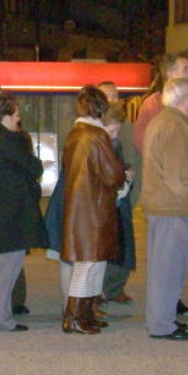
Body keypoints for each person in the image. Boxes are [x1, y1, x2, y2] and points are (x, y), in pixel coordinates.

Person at [132, 54, 188, 319]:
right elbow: (145, 145)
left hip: (180, 196)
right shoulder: (157, 107)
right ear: (170, 73)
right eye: (186, 69)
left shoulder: (185, 111)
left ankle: (169, 306)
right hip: (172, 199)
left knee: (175, 260)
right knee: (167, 259)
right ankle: (163, 315)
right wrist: (184, 187)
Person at [139, 77, 188, 341]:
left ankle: (164, 319)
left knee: (165, 268)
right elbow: (179, 175)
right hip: (174, 208)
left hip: (166, 206)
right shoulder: (174, 125)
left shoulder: (165, 122)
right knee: (168, 269)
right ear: (183, 99)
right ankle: (161, 325)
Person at [0, 92, 44, 332]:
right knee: (7, 271)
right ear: (6, 116)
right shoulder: (10, 140)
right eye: (16, 114)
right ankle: (1, 319)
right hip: (11, 217)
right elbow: (34, 167)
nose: (18, 119)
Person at [59, 85, 127, 335]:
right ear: (100, 108)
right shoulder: (97, 136)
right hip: (95, 210)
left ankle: (85, 315)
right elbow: (112, 175)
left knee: (90, 264)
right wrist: (123, 172)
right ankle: (75, 317)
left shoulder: (75, 134)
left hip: (80, 207)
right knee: (89, 265)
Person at [98, 82, 141, 305]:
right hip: (104, 199)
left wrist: (133, 195)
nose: (112, 100)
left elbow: (136, 162)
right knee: (103, 245)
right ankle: (99, 289)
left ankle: (116, 287)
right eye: (106, 96)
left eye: (115, 96)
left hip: (124, 198)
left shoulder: (128, 127)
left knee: (124, 246)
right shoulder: (95, 128)